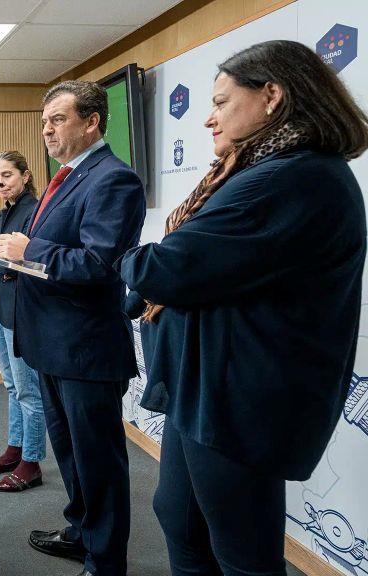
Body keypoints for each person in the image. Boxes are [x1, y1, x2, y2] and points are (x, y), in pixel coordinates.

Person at [116, 40, 368, 576]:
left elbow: (168, 268)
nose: (209, 119)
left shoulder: (291, 177)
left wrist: (126, 259)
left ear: (272, 96)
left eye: (222, 102)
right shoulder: (266, 171)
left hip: (239, 398)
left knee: (244, 554)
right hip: (209, 389)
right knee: (181, 520)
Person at [0, 80, 146, 576]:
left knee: (98, 462)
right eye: (44, 122)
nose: (47, 131)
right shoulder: (65, 178)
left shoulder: (113, 179)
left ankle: (105, 561)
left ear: (92, 122)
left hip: (85, 349)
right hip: (52, 345)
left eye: (58, 120)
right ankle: (82, 533)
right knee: (71, 455)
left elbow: (100, 263)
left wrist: (28, 250)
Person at [0, 150, 47, 492]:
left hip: (21, 309)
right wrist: (0, 264)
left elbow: (29, 262)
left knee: (28, 389)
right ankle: (14, 450)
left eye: (7, 175)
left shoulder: (35, 212)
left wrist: (3, 264)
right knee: (11, 385)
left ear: (25, 176)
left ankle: (31, 463)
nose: (0, 183)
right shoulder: (3, 214)